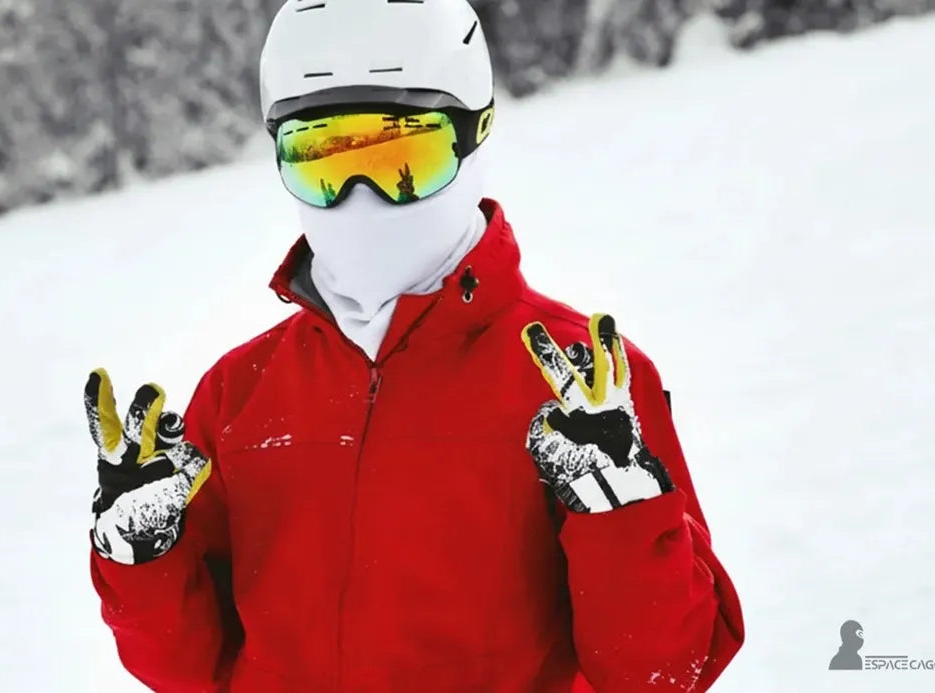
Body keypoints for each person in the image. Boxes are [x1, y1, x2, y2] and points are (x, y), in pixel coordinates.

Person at [86, 0, 745, 690]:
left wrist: (622, 516)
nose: (361, 197)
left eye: (406, 154)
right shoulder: (239, 391)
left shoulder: (584, 386)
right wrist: (144, 560)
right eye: (322, 159)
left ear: (475, 137)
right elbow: (188, 671)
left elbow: (666, 672)